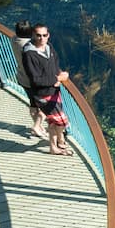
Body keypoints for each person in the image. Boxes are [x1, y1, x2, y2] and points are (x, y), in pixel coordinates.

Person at [21, 24, 73, 156]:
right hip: (43, 94)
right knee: (61, 121)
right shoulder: (29, 54)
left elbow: (55, 64)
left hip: (54, 90)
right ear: (33, 35)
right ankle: (56, 144)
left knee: (53, 120)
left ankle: (56, 145)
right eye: (38, 35)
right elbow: (35, 79)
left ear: (48, 35)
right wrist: (57, 80)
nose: (41, 38)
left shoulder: (49, 47)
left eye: (44, 35)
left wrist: (60, 76)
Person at [14, 20, 47, 139]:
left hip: (22, 78)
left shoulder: (14, 40)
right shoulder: (30, 47)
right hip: (34, 81)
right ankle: (37, 126)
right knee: (47, 104)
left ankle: (38, 127)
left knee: (33, 103)